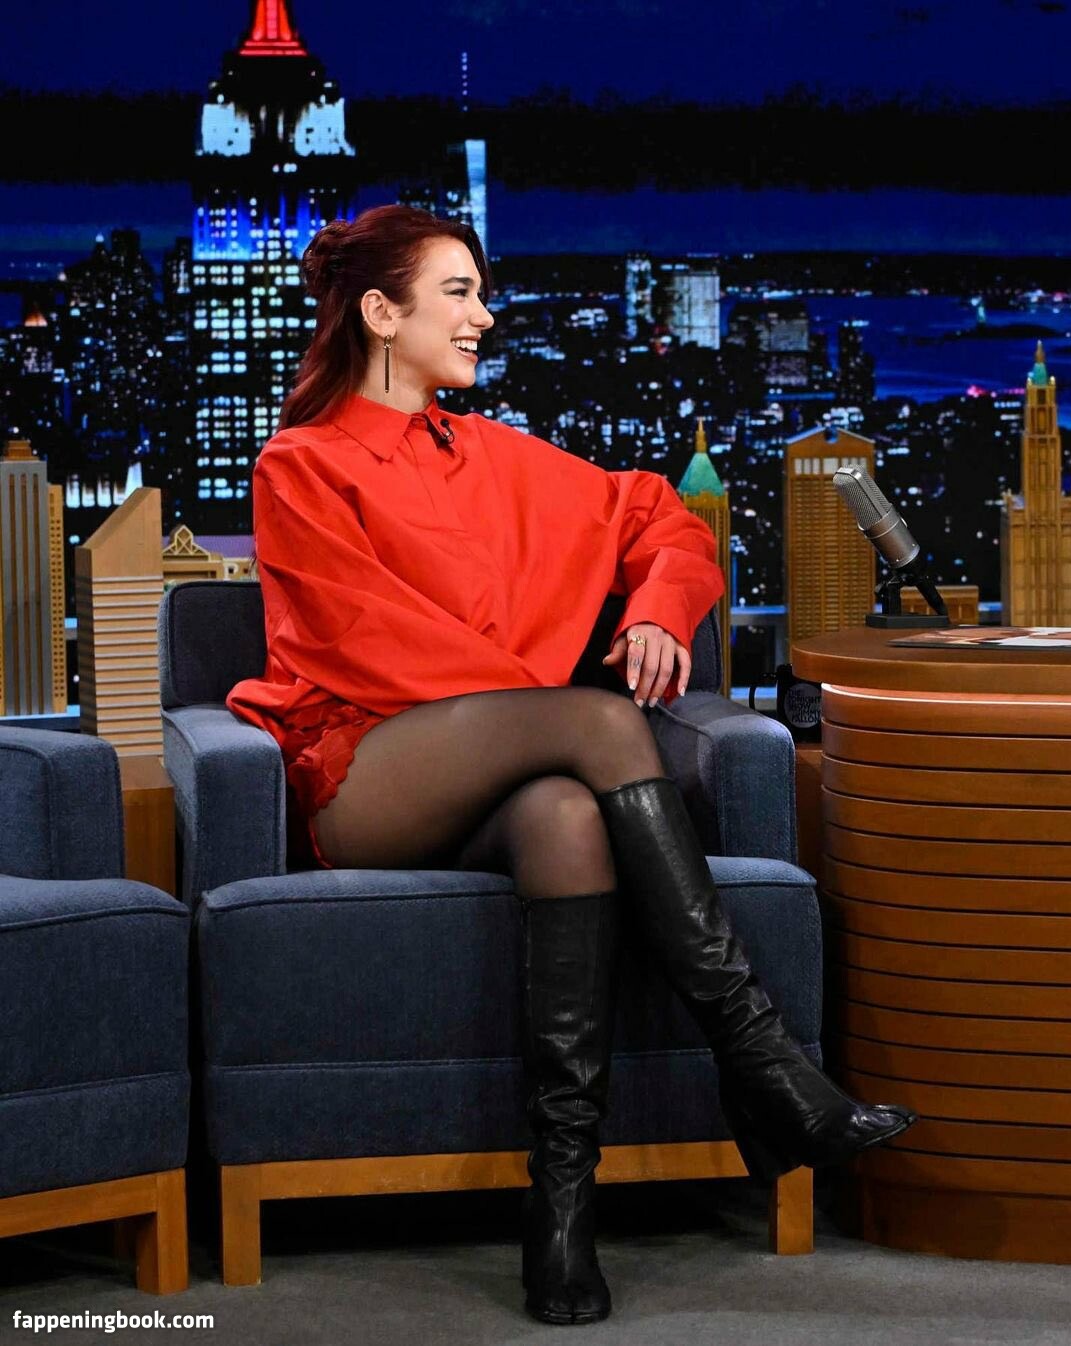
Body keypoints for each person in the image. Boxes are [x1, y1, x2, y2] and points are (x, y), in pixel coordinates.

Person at [226, 204, 917, 1327]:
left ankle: (561, 1214)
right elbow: (368, 646)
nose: (485, 315)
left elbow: (661, 516)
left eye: (481, 292)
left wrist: (654, 609)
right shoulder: (299, 465)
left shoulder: (491, 454)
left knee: (568, 816)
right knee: (594, 729)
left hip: (507, 779)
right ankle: (763, 1065)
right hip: (365, 773)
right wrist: (541, 707)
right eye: (458, 292)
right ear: (381, 314)